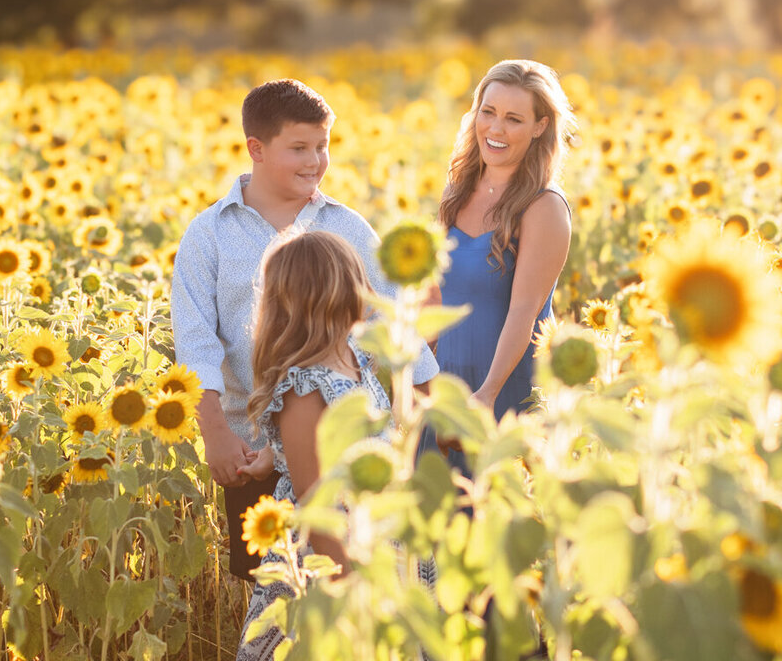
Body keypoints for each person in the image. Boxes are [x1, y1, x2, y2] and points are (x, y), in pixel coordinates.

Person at [170, 78, 437, 581]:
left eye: (323, 146)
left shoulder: (347, 226)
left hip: (346, 444)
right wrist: (217, 435)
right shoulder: (210, 234)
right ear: (257, 149)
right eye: (299, 148)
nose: (315, 161)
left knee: (356, 569)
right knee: (275, 582)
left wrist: (430, 411)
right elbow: (197, 342)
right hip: (252, 445)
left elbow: (394, 321)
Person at [214, 231, 389, 661]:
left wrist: (268, 458)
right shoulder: (305, 384)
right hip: (316, 555)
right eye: (355, 280)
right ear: (333, 294)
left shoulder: (354, 360)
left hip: (367, 534)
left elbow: (310, 451)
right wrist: (341, 572)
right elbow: (315, 495)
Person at [436, 59, 575, 419]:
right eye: (488, 112)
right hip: (443, 388)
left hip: (501, 392)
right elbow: (431, 295)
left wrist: (488, 393)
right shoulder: (457, 191)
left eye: (514, 119)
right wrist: (414, 377)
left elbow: (523, 311)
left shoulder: (544, 207)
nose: (495, 128)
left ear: (539, 127)